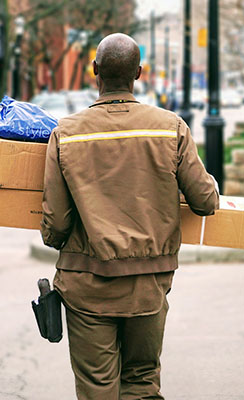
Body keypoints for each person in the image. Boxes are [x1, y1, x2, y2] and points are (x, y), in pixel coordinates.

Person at [40, 33, 219, 400]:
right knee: (141, 381)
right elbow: (204, 201)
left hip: (86, 286)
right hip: (148, 286)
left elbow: (55, 225)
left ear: (94, 72)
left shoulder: (66, 133)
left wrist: (60, 240)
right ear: (139, 72)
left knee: (97, 387)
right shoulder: (171, 128)